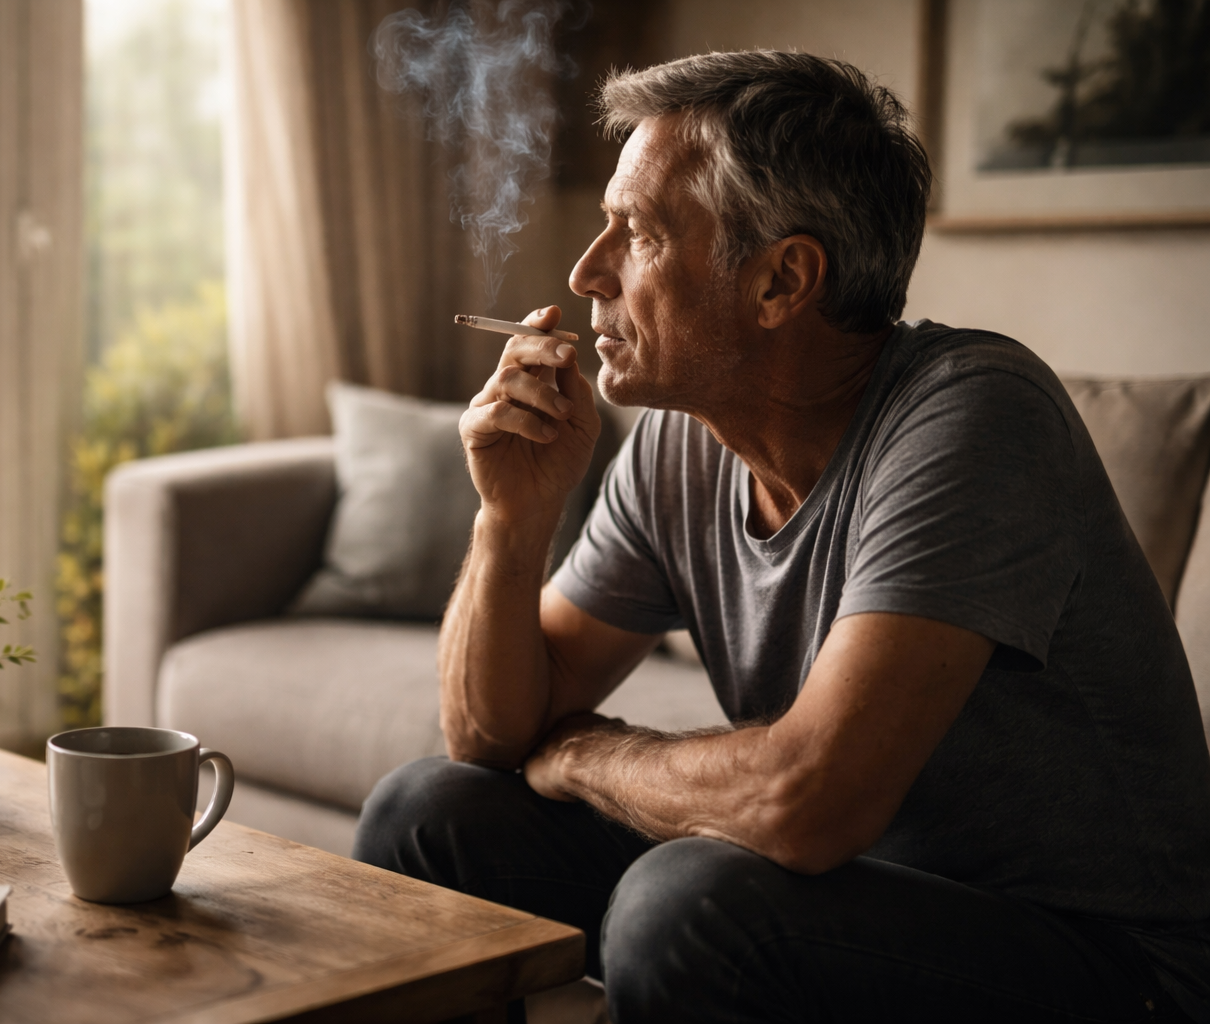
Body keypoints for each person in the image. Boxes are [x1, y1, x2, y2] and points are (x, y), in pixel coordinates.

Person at [352, 50, 1210, 1023]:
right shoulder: (681, 442)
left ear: (780, 282)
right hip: (857, 889)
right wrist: (511, 517)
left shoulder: (976, 415)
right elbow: (489, 734)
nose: (587, 271)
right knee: (431, 812)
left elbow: (807, 802)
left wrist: (590, 754)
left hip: (1114, 967)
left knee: (686, 904)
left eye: (638, 232)